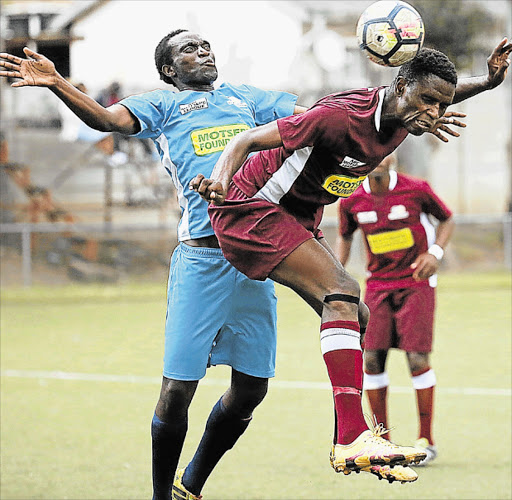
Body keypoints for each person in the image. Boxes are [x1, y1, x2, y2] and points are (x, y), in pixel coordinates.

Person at [0, 30, 307, 500]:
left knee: (251, 390)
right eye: (188, 49)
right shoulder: (162, 104)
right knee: (177, 389)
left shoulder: (248, 99)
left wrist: (389, 112)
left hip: (253, 257)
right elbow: (106, 119)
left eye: (206, 45)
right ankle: (160, 495)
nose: (202, 51)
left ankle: (192, 485)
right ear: (168, 69)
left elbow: (314, 117)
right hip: (202, 258)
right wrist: (59, 84)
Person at [190, 39, 511, 483]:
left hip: (295, 219)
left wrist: (490, 82)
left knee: (356, 316)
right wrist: (221, 183)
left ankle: (355, 443)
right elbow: (245, 140)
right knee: (343, 291)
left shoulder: (408, 116)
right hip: (249, 207)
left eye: (442, 105)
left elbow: (441, 91)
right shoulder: (339, 116)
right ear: (400, 85)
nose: (435, 112)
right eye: (427, 101)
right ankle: (354, 437)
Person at [336, 153, 455, 465]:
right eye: (370, 151)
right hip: (377, 286)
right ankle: (382, 441)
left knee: (417, 359)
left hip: (416, 282)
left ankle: (426, 440)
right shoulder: (351, 200)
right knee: (372, 360)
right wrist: (334, 281)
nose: (376, 157)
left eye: (384, 151)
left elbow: (447, 218)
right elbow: (345, 238)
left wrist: (436, 252)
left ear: (393, 155)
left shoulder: (416, 189)